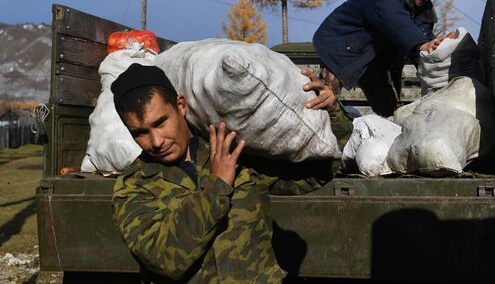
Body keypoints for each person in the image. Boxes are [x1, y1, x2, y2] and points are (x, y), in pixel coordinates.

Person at [110, 63, 349, 283]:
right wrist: (217, 186)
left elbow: (315, 175)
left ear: (180, 106)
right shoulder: (134, 185)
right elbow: (165, 260)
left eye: (161, 122)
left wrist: (331, 111)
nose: (156, 141)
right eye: (139, 133)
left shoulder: (237, 151)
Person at [313, 0, 450, 116]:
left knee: (390, 110)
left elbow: (422, 46)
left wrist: (437, 62)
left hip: (376, 59)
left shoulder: (425, 11)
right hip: (342, 46)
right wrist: (421, 44)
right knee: (325, 102)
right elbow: (393, 20)